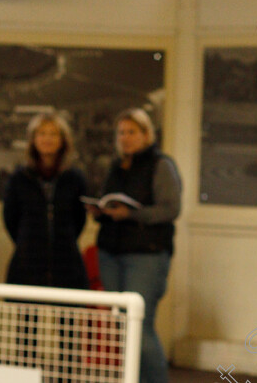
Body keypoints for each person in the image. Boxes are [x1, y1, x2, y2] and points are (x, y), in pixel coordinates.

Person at [89, 108, 181, 383]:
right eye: (121, 133)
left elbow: (170, 209)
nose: (125, 138)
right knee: (122, 328)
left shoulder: (161, 164)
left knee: (140, 328)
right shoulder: (116, 166)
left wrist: (131, 214)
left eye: (131, 132)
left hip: (146, 255)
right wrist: (101, 211)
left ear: (145, 134)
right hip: (111, 252)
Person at [3, 113, 89, 289]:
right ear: (33, 139)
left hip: (66, 262)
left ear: (63, 140)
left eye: (53, 134)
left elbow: (79, 218)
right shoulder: (19, 177)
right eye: (42, 133)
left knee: (68, 313)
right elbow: (10, 217)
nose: (47, 139)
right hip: (27, 262)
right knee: (25, 312)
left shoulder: (75, 178)